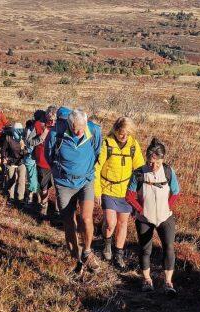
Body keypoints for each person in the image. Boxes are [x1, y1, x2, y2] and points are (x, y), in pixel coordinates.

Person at [45, 108, 102, 273]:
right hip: (64, 184)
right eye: (75, 128)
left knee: (86, 218)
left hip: (86, 181)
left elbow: (97, 153)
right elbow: (50, 156)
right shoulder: (56, 135)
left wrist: (86, 171)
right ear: (68, 124)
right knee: (69, 221)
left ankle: (87, 252)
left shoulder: (94, 131)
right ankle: (75, 257)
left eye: (81, 128)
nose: (78, 132)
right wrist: (60, 173)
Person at [125, 138, 181, 294]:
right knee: (145, 249)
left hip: (165, 217)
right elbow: (129, 196)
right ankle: (147, 280)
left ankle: (168, 282)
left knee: (169, 247)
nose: (154, 166)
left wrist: (167, 207)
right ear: (146, 158)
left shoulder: (169, 171)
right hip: (144, 218)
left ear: (162, 160)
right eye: (150, 163)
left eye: (157, 163)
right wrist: (140, 210)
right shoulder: (138, 174)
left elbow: (176, 192)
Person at [95, 117, 144, 269]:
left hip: (126, 192)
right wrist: (97, 191)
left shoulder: (133, 146)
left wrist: (139, 192)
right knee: (110, 222)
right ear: (115, 130)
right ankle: (107, 244)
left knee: (123, 224)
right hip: (108, 189)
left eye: (127, 133)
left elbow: (139, 169)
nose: (124, 136)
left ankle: (118, 254)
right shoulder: (107, 144)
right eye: (121, 133)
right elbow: (97, 168)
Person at [33, 105, 57, 216]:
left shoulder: (59, 127)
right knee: (44, 188)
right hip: (42, 162)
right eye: (50, 119)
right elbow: (31, 142)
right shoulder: (38, 125)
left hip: (57, 162)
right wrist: (45, 132)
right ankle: (44, 205)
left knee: (58, 188)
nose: (52, 122)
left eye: (54, 119)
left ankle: (58, 211)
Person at [0, 123, 28, 203]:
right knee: (11, 180)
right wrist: (3, 158)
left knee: (21, 180)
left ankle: (20, 198)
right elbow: (3, 150)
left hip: (21, 162)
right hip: (10, 162)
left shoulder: (24, 139)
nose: (19, 132)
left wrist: (24, 150)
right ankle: (10, 197)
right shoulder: (8, 138)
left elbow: (27, 151)